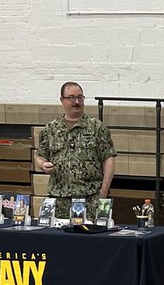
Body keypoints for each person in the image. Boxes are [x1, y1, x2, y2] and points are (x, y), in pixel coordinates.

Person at [35, 82, 117, 218]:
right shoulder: (50, 129)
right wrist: (43, 165)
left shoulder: (96, 127)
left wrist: (103, 192)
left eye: (80, 97)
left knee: (91, 237)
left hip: (90, 198)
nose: (77, 102)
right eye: (71, 98)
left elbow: (109, 158)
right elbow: (40, 156)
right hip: (59, 199)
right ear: (62, 100)